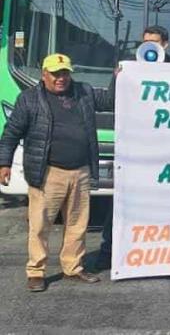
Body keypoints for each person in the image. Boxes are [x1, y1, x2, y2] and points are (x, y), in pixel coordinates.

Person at [0, 54, 113, 292]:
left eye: (65, 73)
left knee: (77, 224)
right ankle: (36, 271)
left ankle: (73, 267)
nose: (61, 78)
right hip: (48, 173)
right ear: (44, 75)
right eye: (55, 73)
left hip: (81, 172)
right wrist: (4, 164)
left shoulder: (84, 92)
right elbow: (10, 134)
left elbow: (112, 100)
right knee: (40, 226)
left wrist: (118, 77)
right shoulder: (28, 99)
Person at [96, 26, 170, 271]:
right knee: (123, 201)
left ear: (166, 45)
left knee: (164, 203)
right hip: (133, 150)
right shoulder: (127, 68)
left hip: (165, 149)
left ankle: (162, 253)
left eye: (156, 43)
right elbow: (110, 102)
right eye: (146, 42)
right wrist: (118, 80)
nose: (149, 47)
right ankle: (108, 251)